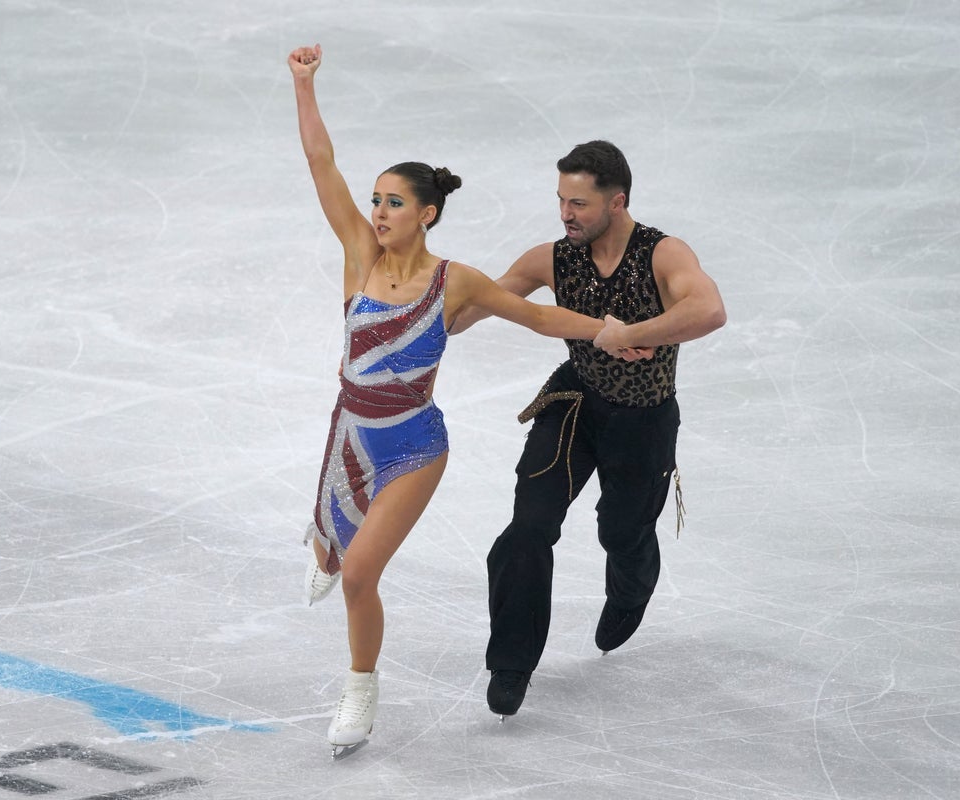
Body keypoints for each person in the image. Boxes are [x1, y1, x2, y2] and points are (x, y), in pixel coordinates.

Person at [286, 45, 646, 755]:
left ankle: (360, 688)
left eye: (393, 202)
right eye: (375, 200)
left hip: (414, 448)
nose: (378, 211)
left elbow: (537, 315)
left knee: (358, 575)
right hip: (349, 436)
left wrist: (607, 332)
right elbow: (321, 163)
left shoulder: (455, 282)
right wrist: (304, 85)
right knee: (330, 556)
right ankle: (324, 539)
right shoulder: (360, 255)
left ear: (426, 214)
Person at [449, 139, 726, 718]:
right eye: (560, 200)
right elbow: (470, 312)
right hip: (573, 405)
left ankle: (632, 590)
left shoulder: (662, 253)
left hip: (644, 421)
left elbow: (708, 310)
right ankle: (511, 663)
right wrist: (422, 300)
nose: (565, 214)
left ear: (616, 202)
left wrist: (629, 333)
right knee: (527, 528)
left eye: (578, 203)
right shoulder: (550, 259)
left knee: (622, 534)